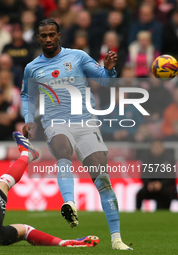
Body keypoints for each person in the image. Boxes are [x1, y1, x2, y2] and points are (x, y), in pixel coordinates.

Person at [21, 19, 132, 250]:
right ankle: (70, 203)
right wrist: (29, 121)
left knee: (102, 180)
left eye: (52, 34)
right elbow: (28, 97)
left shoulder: (78, 57)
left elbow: (104, 80)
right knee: (63, 150)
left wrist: (109, 69)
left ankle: (117, 239)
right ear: (38, 38)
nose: (48, 39)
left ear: (59, 35)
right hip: (56, 123)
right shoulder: (32, 68)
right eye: (44, 35)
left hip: (86, 122)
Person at [136, 141, 177, 210]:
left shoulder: (169, 159)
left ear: (162, 148)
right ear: (151, 149)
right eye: (155, 147)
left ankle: (165, 212)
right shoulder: (146, 159)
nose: (156, 149)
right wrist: (149, 184)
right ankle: (137, 212)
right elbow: (144, 174)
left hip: (164, 186)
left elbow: (171, 176)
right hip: (150, 186)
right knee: (140, 193)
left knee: (167, 193)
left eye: (158, 147)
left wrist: (161, 184)